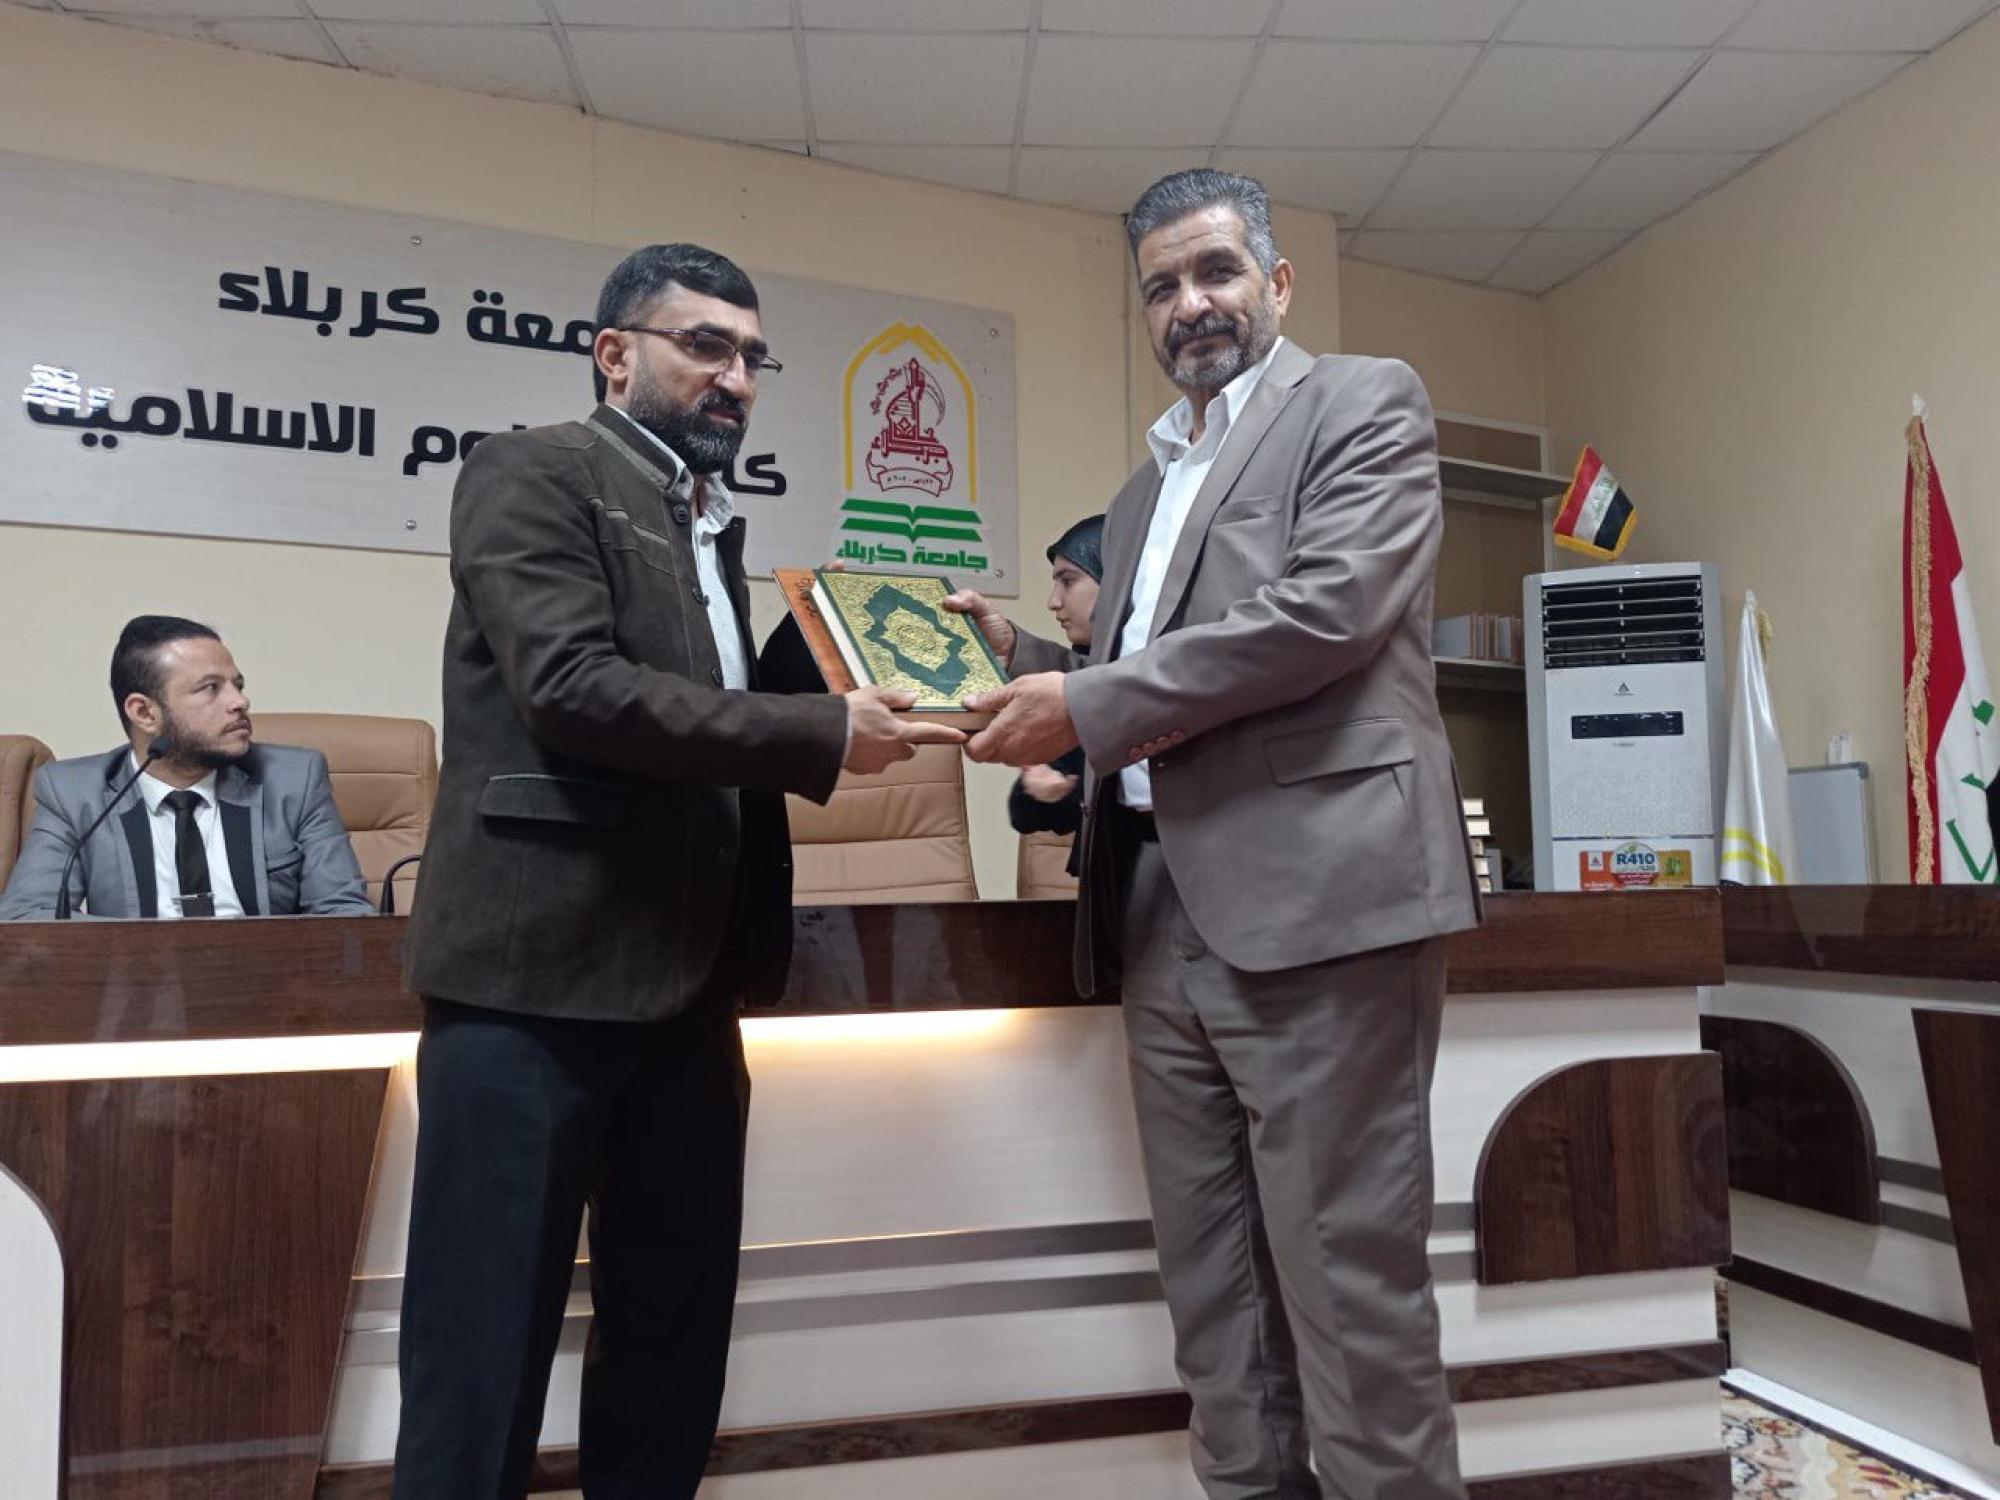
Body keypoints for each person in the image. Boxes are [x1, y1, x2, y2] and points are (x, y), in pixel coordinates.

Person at [393, 242, 959, 1500]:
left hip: (694, 995)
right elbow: (572, 688)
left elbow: (704, 706)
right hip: (531, 993)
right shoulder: (533, 471)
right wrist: (822, 731)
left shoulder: (706, 523)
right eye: (704, 346)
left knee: (669, 1350)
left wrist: (870, 650)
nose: (735, 377)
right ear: (614, 355)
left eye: (752, 356)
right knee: (479, 1363)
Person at [948, 170, 1481, 1500]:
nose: (1190, 305)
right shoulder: (1142, 495)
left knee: (1350, 1300)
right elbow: (1147, 669)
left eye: (1215, 272)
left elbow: (1325, 616)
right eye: (1161, 287)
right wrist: (1021, 661)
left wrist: (1086, 703)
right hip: (1155, 916)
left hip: (1322, 906)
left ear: (1276, 283)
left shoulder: (1361, 402)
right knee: (1214, 1304)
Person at [0, 614, 370, 920]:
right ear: (145, 713)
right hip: (137, 981)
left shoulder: (294, 779)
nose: (240, 702)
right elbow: (28, 915)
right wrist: (158, 955)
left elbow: (343, 912)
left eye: (237, 685)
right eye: (211, 688)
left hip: (265, 979)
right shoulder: (75, 793)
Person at [1007, 512, 1103, 839]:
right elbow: (1025, 816)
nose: (1053, 601)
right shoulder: (1078, 668)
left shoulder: (1172, 670)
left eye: (1068, 581)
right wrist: (1046, 790)